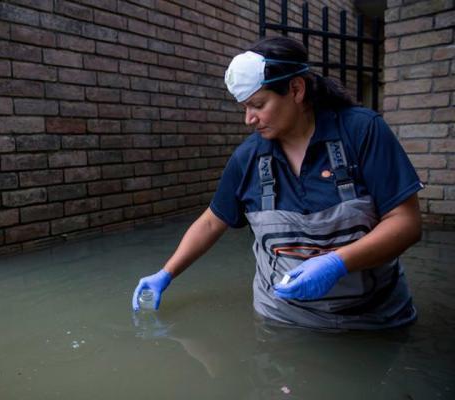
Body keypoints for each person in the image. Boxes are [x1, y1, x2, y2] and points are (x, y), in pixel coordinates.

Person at [131, 36, 424, 330]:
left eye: (258, 104)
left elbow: (406, 223)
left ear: (296, 89)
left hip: (376, 320)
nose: (249, 119)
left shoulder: (362, 131)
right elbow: (211, 222)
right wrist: (166, 273)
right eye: (244, 107)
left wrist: (338, 263)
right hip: (282, 323)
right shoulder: (248, 159)